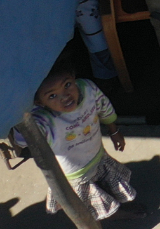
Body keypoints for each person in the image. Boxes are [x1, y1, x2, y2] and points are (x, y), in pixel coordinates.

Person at [26, 66, 143, 221]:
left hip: (97, 154)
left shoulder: (87, 90)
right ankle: (112, 215)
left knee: (106, 183)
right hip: (75, 173)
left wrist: (114, 131)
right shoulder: (43, 121)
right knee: (91, 207)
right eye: (52, 95)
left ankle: (116, 205)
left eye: (67, 85)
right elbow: (24, 137)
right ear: (39, 102)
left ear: (73, 77)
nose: (65, 96)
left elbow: (104, 107)